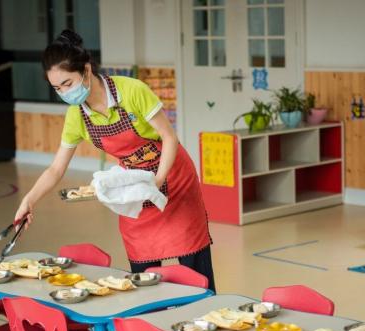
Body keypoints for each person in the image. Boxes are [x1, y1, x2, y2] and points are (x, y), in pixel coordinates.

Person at [14, 29, 216, 291]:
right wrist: (28, 201)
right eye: (57, 88)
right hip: (134, 190)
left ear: (86, 71)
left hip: (175, 181)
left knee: (194, 270)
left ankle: (200, 321)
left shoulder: (131, 91)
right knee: (143, 271)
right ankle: (152, 329)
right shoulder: (77, 116)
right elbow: (56, 168)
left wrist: (157, 182)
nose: (64, 93)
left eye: (68, 84)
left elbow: (169, 138)